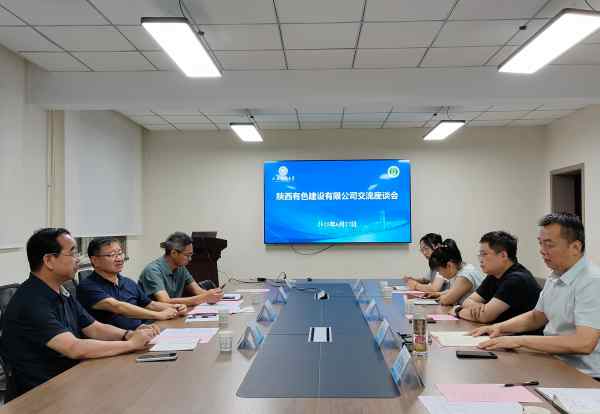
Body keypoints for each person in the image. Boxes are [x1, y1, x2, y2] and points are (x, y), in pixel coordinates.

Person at [0, 228, 159, 399]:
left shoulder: (61, 291)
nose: (78, 259)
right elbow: (73, 348)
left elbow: (94, 328)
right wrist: (131, 344)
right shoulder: (31, 301)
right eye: (72, 253)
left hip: (71, 379)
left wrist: (128, 334)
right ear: (49, 260)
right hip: (39, 395)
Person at [473, 213, 600, 378]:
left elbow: (583, 343)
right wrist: (498, 327)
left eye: (549, 245)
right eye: (540, 243)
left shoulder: (592, 281)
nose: (542, 251)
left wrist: (519, 341)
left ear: (575, 247)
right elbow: (536, 317)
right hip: (553, 362)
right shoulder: (555, 275)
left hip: (584, 375)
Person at [77, 237, 187, 330]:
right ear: (95, 260)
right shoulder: (87, 286)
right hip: (116, 342)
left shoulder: (128, 282)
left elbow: (150, 304)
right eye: (111, 255)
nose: (119, 258)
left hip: (142, 333)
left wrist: (176, 307)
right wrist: (158, 315)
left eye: (120, 253)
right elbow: (118, 306)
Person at [453, 231, 541, 326]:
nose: (480, 259)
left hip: (520, 334)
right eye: (480, 255)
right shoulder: (494, 275)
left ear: (503, 255)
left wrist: (457, 311)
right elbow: (468, 301)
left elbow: (485, 316)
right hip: (500, 330)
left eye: (484, 254)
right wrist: (479, 308)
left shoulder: (516, 279)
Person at [138, 232, 223, 306]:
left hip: (173, 313)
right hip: (154, 317)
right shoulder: (153, 271)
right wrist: (204, 297)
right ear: (174, 253)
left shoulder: (181, 268)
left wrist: (214, 294)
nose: (190, 259)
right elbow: (165, 301)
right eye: (187, 255)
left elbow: (198, 291)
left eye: (191, 255)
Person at [423, 239, 484, 305]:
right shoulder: (462, 268)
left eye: (439, 271)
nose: (439, 274)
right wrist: (438, 294)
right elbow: (453, 290)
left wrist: (442, 297)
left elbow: (446, 301)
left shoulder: (465, 276)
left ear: (449, 265)